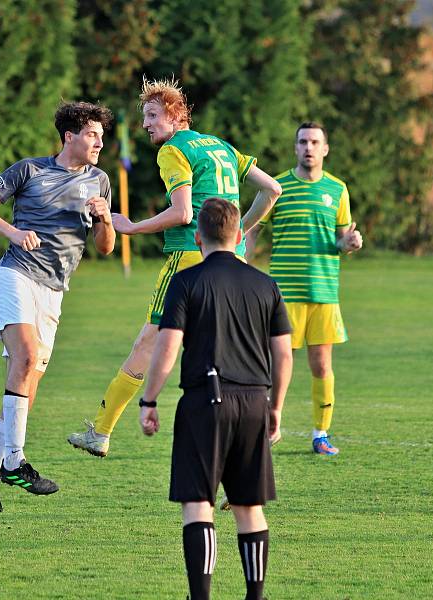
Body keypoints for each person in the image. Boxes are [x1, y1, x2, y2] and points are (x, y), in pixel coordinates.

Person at [68, 77, 282, 457]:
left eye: (152, 115)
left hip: (190, 257)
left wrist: (132, 227)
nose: (146, 124)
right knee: (226, 354)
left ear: (175, 114)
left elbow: (184, 213)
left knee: (148, 342)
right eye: (145, 117)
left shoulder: (173, 150)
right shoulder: (220, 146)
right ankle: (248, 454)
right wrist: (241, 233)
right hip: (235, 260)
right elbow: (272, 190)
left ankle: (100, 432)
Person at [0, 101, 116, 534]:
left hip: (54, 293)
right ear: (68, 136)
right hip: (15, 275)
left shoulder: (99, 181)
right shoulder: (28, 171)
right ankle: (15, 461)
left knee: (24, 392)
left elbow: (105, 247)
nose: (99, 142)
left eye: (101, 136)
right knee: (25, 358)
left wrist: (104, 219)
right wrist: (13, 232)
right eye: (91, 134)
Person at [140, 197, 292, 600]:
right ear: (239, 235)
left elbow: (167, 348)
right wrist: (275, 406)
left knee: (198, 504)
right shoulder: (265, 284)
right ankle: (255, 596)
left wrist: (149, 400)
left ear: (197, 237)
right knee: (249, 507)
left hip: (205, 400)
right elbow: (283, 354)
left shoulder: (187, 282)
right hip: (255, 400)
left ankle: (201, 597)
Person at [247, 122, 363, 455]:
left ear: (325, 149)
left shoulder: (338, 190)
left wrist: (349, 243)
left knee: (322, 365)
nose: (308, 147)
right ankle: (269, 426)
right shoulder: (277, 186)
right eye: (303, 142)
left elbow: (341, 239)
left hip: (324, 292)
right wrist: (242, 262)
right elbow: (253, 228)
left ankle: (320, 433)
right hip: (284, 292)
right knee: (277, 362)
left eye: (315, 142)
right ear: (295, 147)